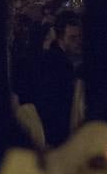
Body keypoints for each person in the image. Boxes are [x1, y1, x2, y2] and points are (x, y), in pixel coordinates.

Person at [34, 10, 83, 147]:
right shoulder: (56, 63)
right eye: (72, 38)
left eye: (79, 37)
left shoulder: (57, 59)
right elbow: (56, 103)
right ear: (60, 38)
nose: (78, 42)